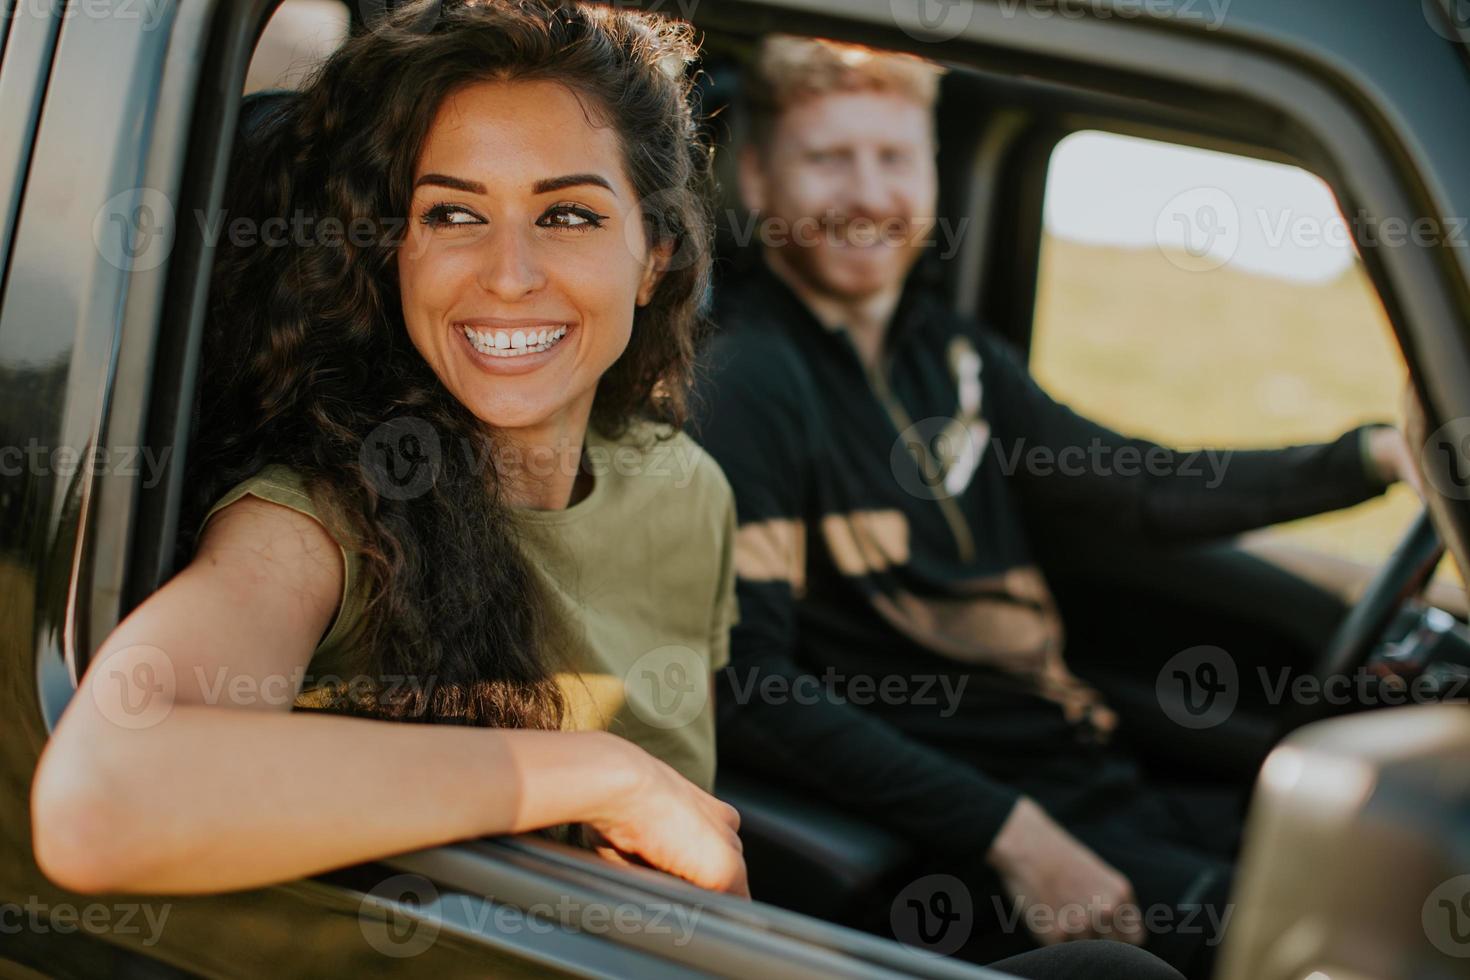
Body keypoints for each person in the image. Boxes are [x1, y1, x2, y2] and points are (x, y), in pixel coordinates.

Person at [692, 35, 1417, 976]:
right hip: (973, 840)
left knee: (1370, 854)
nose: (868, 194)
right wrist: (1014, 835)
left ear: (932, 175)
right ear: (755, 179)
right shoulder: (752, 378)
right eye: (829, 158)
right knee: (1357, 940)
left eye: (894, 158)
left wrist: (1375, 454)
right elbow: (751, 684)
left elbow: (1138, 488)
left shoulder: (947, 352)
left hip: (1089, 781)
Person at [31, 0, 746, 900]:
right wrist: (600, 778)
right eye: (452, 214)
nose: (510, 274)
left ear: (655, 256)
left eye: (567, 216)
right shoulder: (319, 522)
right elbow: (98, 800)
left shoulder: (691, 492)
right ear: (392, 254)